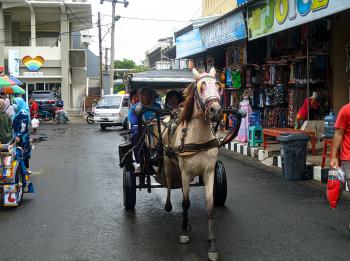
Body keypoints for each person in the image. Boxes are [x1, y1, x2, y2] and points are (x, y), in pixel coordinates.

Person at [128, 88, 161, 163]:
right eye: (144, 95)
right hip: (141, 129)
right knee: (136, 135)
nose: (146, 97)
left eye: (148, 95)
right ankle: (139, 159)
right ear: (140, 96)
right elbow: (133, 121)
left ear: (151, 96)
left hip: (156, 128)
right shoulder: (134, 108)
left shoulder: (157, 106)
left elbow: (162, 118)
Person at [12, 97, 31, 170]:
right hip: (17, 135)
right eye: (13, 103)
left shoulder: (23, 113)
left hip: (22, 137)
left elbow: (23, 126)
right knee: (19, 151)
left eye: (15, 103)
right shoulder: (17, 112)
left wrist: (18, 135)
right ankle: (21, 168)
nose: (14, 105)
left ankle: (26, 169)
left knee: (24, 152)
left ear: (20, 104)